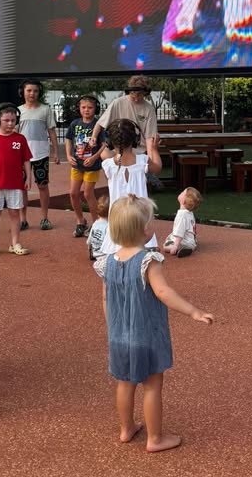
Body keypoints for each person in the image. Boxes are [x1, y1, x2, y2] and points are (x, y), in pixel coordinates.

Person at [94, 194, 213, 451]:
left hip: (119, 335)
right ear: (145, 230)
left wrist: (113, 327)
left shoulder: (107, 263)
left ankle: (126, 429)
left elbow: (105, 298)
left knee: (124, 382)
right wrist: (193, 311)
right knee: (151, 386)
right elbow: (163, 292)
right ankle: (155, 438)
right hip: (146, 335)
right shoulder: (149, 260)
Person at [98, 118, 162, 258]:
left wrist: (105, 144)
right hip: (140, 220)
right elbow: (158, 166)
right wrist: (153, 148)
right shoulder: (142, 161)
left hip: (117, 221)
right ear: (135, 139)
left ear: (110, 141)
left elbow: (104, 152)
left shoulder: (108, 164)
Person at [0, 102, 33, 256]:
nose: (10, 123)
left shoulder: (20, 139)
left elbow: (26, 160)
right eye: (6, 120)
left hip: (15, 183)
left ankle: (15, 243)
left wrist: (28, 178)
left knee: (15, 213)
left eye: (13, 120)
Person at [17, 79, 60, 232]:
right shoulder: (17, 111)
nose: (32, 94)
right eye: (29, 90)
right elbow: (13, 134)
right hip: (22, 155)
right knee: (22, 187)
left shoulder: (45, 109)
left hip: (41, 153)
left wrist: (55, 151)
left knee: (42, 185)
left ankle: (44, 218)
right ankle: (22, 219)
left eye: (35, 91)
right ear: (23, 92)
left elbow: (51, 131)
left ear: (39, 92)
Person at [65, 94, 102, 238]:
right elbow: (68, 139)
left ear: (95, 109)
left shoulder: (97, 125)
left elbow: (104, 143)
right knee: (73, 193)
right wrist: (68, 156)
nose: (86, 110)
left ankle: (96, 223)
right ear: (79, 108)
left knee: (88, 193)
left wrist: (94, 157)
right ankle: (80, 221)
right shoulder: (75, 123)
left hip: (91, 166)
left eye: (90, 108)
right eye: (83, 107)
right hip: (77, 164)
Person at [93, 76, 159, 156]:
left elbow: (149, 138)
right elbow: (100, 123)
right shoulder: (117, 103)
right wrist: (94, 137)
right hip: (116, 149)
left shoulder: (149, 109)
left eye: (139, 95)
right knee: (104, 153)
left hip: (137, 151)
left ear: (145, 93)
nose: (136, 99)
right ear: (129, 91)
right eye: (133, 95)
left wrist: (150, 158)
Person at [163, 187, 201, 257]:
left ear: (183, 200)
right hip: (191, 241)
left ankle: (177, 248)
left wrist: (175, 245)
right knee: (172, 237)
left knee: (165, 245)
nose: (181, 192)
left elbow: (180, 231)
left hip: (183, 241)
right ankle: (189, 247)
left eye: (183, 193)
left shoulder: (181, 215)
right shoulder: (189, 213)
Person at [87, 195, 110, 261]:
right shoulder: (108, 226)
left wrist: (90, 247)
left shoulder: (95, 223)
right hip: (104, 255)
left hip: (95, 253)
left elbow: (89, 240)